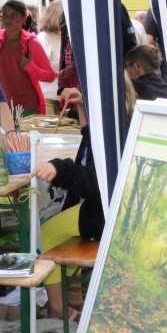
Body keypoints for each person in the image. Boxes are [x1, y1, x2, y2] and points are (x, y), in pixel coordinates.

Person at [31, 79, 137, 317]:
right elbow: (89, 135)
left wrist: (59, 168)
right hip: (113, 206)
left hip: (106, 210)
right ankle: (75, 298)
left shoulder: (112, 133)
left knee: (49, 233)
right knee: (65, 224)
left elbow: (94, 183)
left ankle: (58, 308)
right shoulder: (117, 123)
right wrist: (81, 106)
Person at [0, 0, 57, 116]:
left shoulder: (31, 42)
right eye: (4, 14)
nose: (7, 19)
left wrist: (30, 67)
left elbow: (49, 76)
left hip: (27, 107)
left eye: (13, 15)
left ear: (24, 18)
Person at [37, 0, 64, 114]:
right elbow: (40, 68)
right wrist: (63, 73)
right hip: (47, 96)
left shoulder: (65, 38)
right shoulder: (43, 38)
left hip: (64, 96)